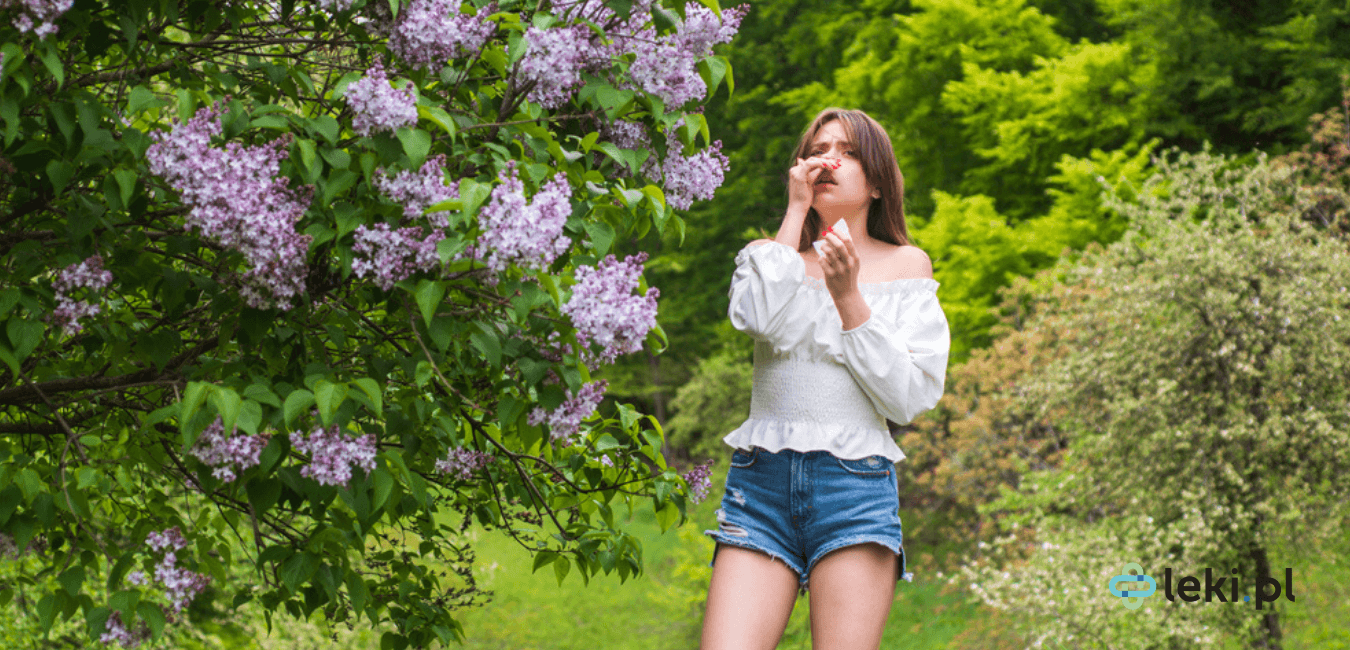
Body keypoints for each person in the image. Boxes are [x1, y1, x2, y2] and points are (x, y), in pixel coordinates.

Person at [699, 108, 951, 650]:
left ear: (878, 182)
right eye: (817, 149)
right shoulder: (768, 259)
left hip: (853, 490)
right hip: (759, 486)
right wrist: (795, 214)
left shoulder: (908, 266)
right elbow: (756, 318)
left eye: (848, 151)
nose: (828, 159)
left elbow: (909, 399)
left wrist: (848, 297)